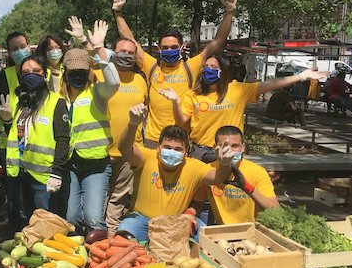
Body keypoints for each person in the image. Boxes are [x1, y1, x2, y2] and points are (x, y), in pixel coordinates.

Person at [112, 0, 237, 148]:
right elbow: (130, 40)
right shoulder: (151, 66)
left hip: (180, 139)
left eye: (173, 47)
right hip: (153, 139)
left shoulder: (191, 66)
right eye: (165, 48)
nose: (169, 50)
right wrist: (118, 13)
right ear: (159, 49)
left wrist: (229, 12)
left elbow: (218, 41)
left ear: (182, 48)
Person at [161, 55, 327, 162]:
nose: (207, 70)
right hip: (202, 153)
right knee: (201, 198)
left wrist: (302, 76)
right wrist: (176, 102)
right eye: (205, 66)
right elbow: (182, 123)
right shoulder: (193, 95)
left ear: (223, 71)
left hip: (230, 152)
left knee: (226, 195)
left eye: (213, 67)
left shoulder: (237, 90)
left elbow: (269, 84)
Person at [117, 107, 236, 241]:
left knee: (209, 241)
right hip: (142, 220)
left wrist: (225, 164)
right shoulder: (147, 157)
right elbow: (124, 149)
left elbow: (218, 177)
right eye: (167, 147)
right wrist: (132, 124)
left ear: (186, 151)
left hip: (178, 221)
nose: (172, 152)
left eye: (178, 149)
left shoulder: (193, 166)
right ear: (158, 147)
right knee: (123, 239)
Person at [60, 20, 120, 234]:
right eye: (73, 71)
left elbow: (113, 83)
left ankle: (99, 257)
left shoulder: (97, 93)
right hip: (70, 166)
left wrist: (100, 57)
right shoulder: (60, 97)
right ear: (65, 72)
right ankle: (77, 256)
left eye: (82, 71)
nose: (78, 75)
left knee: (94, 218)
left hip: (96, 165)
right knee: (71, 218)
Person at [1, 56, 70, 220]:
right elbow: (18, 135)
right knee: (27, 220)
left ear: (45, 74)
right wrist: (7, 120)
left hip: (44, 177)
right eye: (25, 72)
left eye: (36, 71)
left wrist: (57, 173)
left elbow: (63, 139)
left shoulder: (56, 102)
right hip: (21, 173)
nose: (30, 75)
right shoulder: (22, 101)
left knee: (45, 222)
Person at [95, 38, 148, 236]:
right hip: (102, 150)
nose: (126, 55)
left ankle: (110, 239)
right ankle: (94, 235)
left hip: (129, 151)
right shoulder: (101, 75)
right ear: (113, 52)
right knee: (98, 200)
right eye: (121, 50)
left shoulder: (141, 80)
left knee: (118, 199)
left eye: (130, 52)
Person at [0, 32, 32, 231]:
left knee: (34, 197)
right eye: (14, 48)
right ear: (8, 52)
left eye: (22, 46)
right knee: (15, 200)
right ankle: (16, 235)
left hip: (37, 147)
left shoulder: (41, 73)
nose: (20, 51)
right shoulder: (3, 78)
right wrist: (4, 118)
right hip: (10, 147)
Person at [205, 126, 278, 224]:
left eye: (235, 146)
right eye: (224, 146)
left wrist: (248, 188)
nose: (229, 150)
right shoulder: (207, 170)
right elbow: (197, 200)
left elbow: (275, 209)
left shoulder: (257, 171)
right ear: (215, 148)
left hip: (249, 230)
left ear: (243, 147)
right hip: (220, 229)